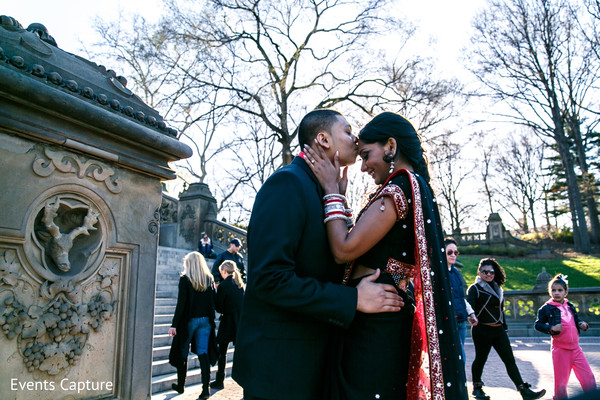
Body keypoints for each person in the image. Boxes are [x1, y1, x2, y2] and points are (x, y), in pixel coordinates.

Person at [232, 109, 404, 400]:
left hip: (314, 363)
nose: (356, 138)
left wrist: (337, 199)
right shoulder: (287, 184)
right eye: (348, 131)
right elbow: (270, 279)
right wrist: (353, 299)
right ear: (323, 139)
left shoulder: (323, 191)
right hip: (281, 371)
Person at [304, 111, 467, 399]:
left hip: (376, 325)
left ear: (391, 146)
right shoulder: (414, 187)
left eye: (366, 155)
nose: (364, 167)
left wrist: (332, 191)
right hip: (383, 318)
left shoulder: (397, 189)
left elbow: (344, 250)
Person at [467, 258, 546, 400]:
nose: (489, 274)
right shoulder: (475, 288)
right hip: (482, 330)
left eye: (491, 272)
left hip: (498, 330)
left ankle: (523, 391)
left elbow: (501, 311)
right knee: (480, 359)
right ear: (479, 272)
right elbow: (469, 305)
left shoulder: (497, 288)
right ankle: (477, 388)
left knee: (509, 360)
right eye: (485, 272)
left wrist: (505, 328)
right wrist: (471, 316)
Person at [535, 274, 597, 399]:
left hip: (576, 349)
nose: (556, 293)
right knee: (561, 384)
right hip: (560, 350)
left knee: (589, 378)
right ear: (549, 291)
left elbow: (577, 320)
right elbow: (538, 325)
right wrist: (551, 328)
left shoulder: (570, 306)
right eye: (553, 290)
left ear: (566, 292)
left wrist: (583, 325)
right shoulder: (546, 309)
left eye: (560, 290)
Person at [168, 252, 217, 400]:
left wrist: (174, 324)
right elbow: (212, 301)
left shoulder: (185, 279)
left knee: (183, 352)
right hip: (205, 321)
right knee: (203, 353)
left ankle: (181, 385)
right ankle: (205, 390)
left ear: (189, 263)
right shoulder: (209, 279)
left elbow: (181, 304)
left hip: (189, 321)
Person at [210, 260, 245, 391]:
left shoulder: (224, 285)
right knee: (240, 352)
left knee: (222, 353)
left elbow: (219, 307)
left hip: (227, 322)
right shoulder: (239, 284)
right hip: (239, 321)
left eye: (221, 272)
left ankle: (220, 380)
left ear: (224, 271)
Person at [445, 238, 478, 364]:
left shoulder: (456, 273)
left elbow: (460, 298)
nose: (453, 255)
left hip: (461, 320)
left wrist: (471, 313)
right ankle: (461, 383)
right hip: (450, 321)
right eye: (450, 252)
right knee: (460, 358)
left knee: (459, 356)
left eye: (456, 252)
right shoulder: (439, 273)